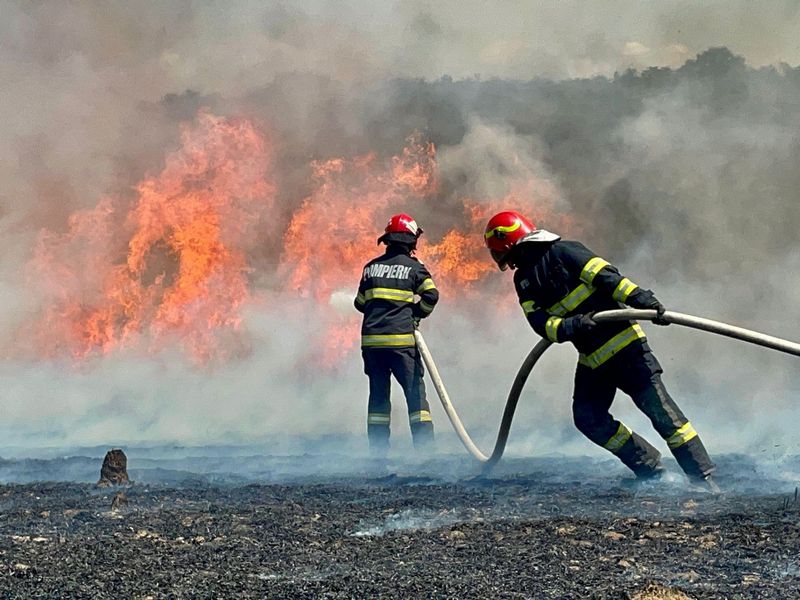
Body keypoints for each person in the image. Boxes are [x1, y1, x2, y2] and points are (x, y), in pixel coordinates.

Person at [484, 210, 716, 489]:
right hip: (593, 359)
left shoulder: (565, 252)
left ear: (511, 242)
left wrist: (643, 300)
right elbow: (541, 325)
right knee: (588, 418)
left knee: (661, 414)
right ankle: (650, 469)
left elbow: (609, 279)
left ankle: (702, 479)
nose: (508, 263)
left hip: (626, 348)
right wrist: (571, 326)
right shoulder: (523, 280)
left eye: (506, 255)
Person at [354, 213, 439, 456]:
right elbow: (432, 295)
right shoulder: (414, 268)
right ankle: (425, 451)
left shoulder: (370, 268)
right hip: (401, 344)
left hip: (372, 345)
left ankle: (378, 452)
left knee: (378, 397)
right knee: (415, 396)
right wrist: (416, 314)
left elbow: (360, 303)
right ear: (411, 240)